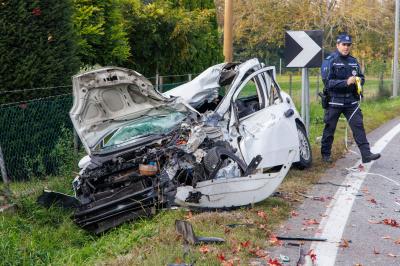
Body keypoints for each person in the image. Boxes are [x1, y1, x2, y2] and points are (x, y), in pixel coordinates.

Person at [320, 33, 380, 164]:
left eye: (348, 45)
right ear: (337, 45)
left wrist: (359, 80)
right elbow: (328, 83)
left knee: (358, 127)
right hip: (334, 101)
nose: (346, 47)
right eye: (343, 44)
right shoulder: (330, 60)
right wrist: (346, 82)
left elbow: (361, 77)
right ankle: (325, 155)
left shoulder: (353, 61)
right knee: (330, 128)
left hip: (351, 102)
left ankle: (366, 155)